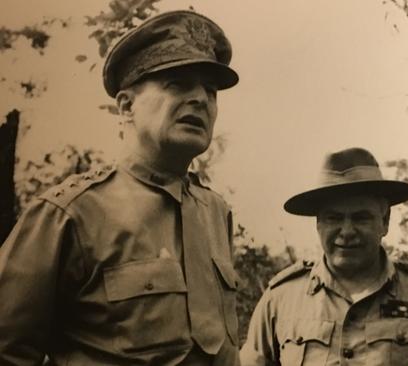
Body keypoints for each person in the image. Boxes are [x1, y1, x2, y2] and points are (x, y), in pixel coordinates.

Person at [0, 10, 241, 365]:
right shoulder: (69, 213)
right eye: (178, 83)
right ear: (126, 106)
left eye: (210, 90)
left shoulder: (216, 212)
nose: (200, 99)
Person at [240, 147, 408, 366]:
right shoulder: (280, 301)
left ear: (384, 222)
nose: (346, 231)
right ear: (318, 224)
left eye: (361, 218)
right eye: (334, 218)